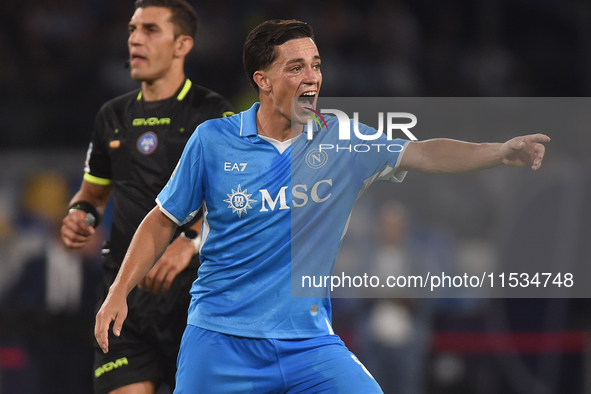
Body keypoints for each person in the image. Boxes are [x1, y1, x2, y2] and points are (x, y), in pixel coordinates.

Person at [95, 19, 549, 393]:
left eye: (315, 65)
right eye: (296, 68)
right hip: (220, 341)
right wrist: (119, 292)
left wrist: (499, 151)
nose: (312, 77)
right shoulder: (213, 141)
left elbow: (425, 152)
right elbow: (162, 220)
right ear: (263, 81)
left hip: (308, 346)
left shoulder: (343, 138)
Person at [60, 1, 232, 393]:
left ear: (181, 45)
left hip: (195, 298)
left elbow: (232, 199)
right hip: (125, 295)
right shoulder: (112, 116)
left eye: (150, 30)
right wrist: (80, 215)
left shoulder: (212, 113)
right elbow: (93, 193)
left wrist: (189, 242)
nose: (135, 39)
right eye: (133, 30)